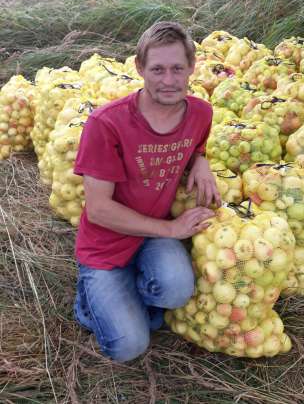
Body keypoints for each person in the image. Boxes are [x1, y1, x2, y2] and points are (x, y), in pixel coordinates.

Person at [73, 21, 221, 362]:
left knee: (177, 291)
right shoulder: (106, 124)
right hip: (105, 246)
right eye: (157, 69)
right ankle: (90, 300)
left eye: (176, 69)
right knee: (128, 347)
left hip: (150, 236)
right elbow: (98, 210)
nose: (168, 80)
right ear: (140, 68)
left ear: (191, 68)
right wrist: (172, 229)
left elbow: (196, 143)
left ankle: (129, 290)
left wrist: (201, 159)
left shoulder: (201, 113)